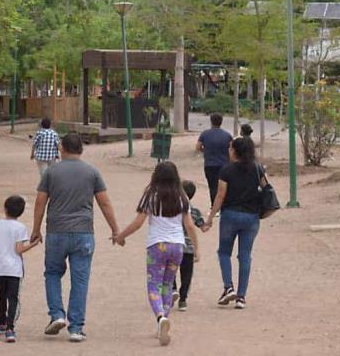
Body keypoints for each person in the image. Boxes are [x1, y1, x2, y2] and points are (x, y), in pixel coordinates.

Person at [31, 132, 120, 343]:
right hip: (83, 233)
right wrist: (115, 230)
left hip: (56, 232)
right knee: (80, 280)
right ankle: (76, 328)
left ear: (62, 149)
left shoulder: (51, 172)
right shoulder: (92, 172)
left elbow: (40, 202)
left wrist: (36, 230)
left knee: (52, 273)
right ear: (81, 149)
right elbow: (104, 203)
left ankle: (57, 315)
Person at [113, 161, 200, 346]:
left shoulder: (151, 195)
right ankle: (164, 321)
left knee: (154, 285)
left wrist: (121, 236)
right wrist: (197, 248)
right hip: (178, 246)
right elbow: (190, 225)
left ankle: (160, 318)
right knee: (168, 284)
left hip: (157, 245)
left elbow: (138, 223)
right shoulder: (182, 196)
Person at [203, 137, 268, 310]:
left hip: (230, 215)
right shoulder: (257, 169)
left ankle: (228, 287)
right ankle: (241, 297)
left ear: (235, 151)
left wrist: (210, 218)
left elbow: (220, 196)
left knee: (224, 252)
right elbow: (266, 188)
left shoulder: (226, 170)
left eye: (231, 149)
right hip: (251, 217)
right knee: (245, 255)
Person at [0, 195, 40, 343]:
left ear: (5, 209)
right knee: (13, 298)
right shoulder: (20, 227)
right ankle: (10, 329)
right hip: (14, 269)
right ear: (21, 212)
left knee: (2, 294)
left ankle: (2, 321)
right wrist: (33, 244)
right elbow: (19, 250)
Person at [172, 180, 205, 312]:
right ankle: (183, 299)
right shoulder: (195, 211)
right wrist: (208, 222)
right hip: (189, 247)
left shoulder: (173, 208)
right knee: (186, 274)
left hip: (175, 243)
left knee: (171, 269)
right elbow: (203, 227)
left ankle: (173, 288)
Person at [196, 113, 233, 205]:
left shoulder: (205, 134)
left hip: (210, 164)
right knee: (224, 185)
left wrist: (205, 151)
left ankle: (214, 205)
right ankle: (224, 204)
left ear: (211, 121)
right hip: (224, 164)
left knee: (212, 186)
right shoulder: (227, 135)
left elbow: (198, 146)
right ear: (221, 122)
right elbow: (232, 150)